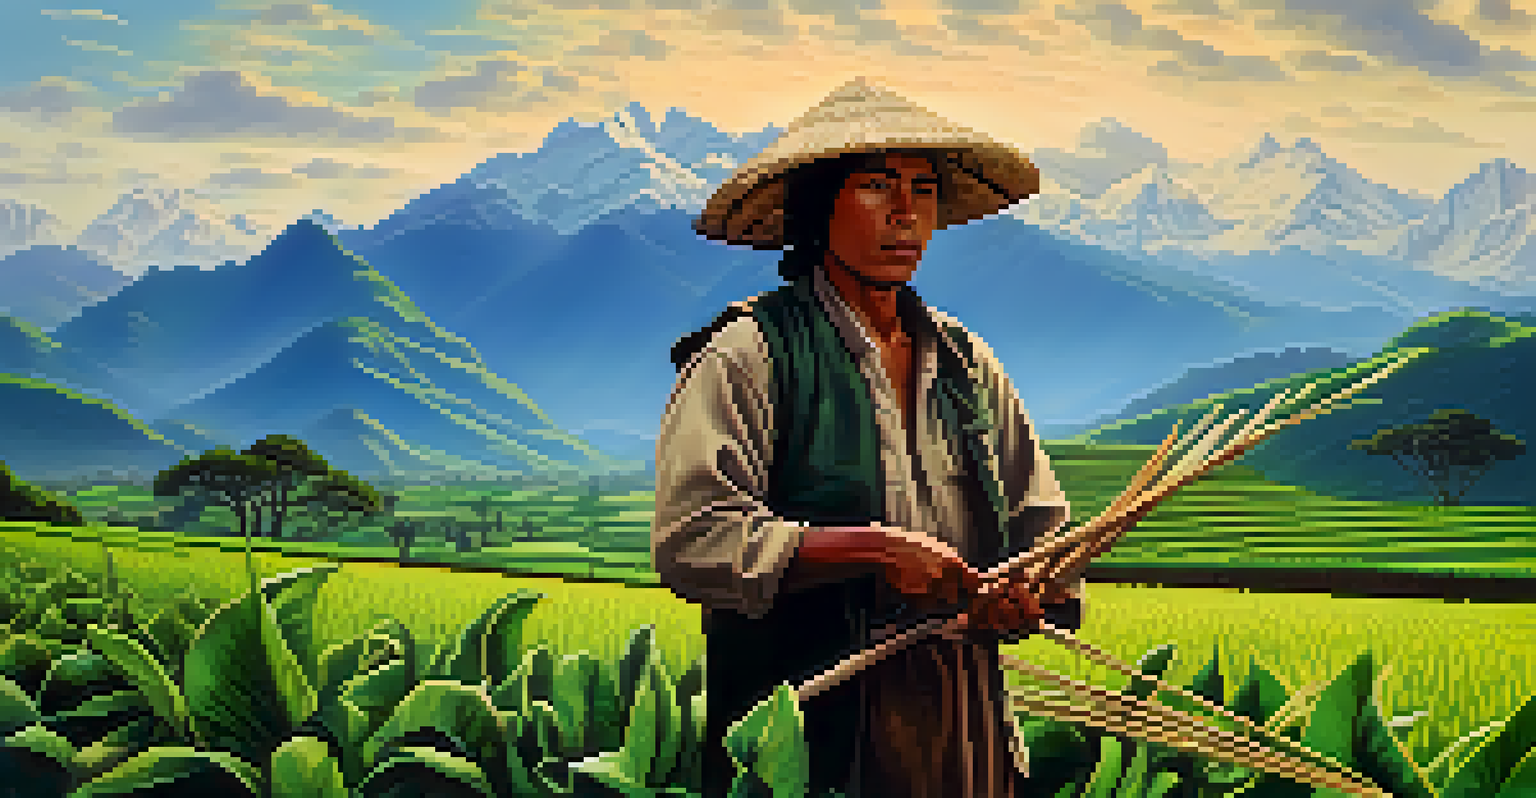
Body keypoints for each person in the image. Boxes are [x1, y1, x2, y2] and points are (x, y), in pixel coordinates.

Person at [653, 76, 1086, 798]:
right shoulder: (750, 353)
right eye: (877, 188)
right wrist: (873, 552)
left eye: (922, 189)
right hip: (811, 742)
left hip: (964, 734)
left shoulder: (966, 362)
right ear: (819, 207)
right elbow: (695, 540)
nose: (907, 215)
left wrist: (1029, 590)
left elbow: (1043, 526)